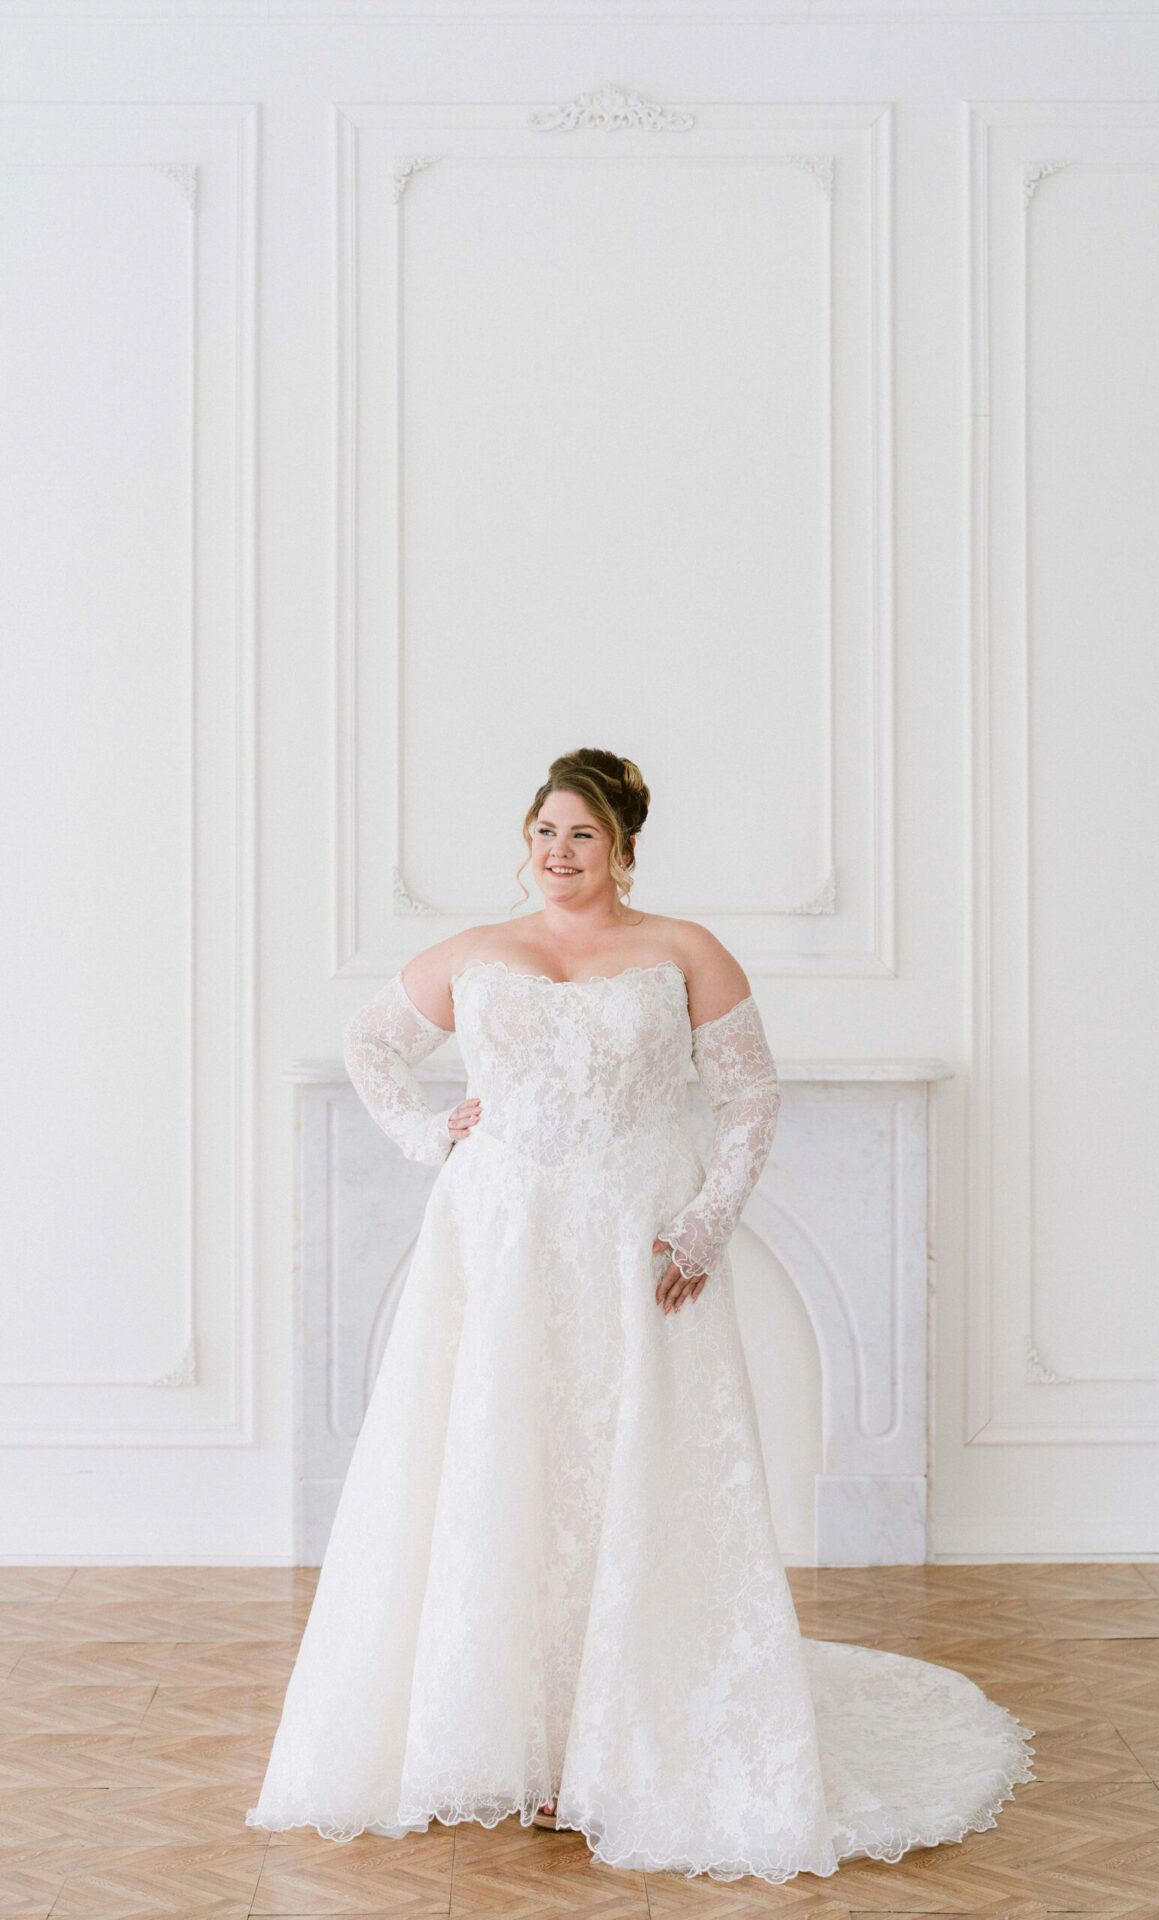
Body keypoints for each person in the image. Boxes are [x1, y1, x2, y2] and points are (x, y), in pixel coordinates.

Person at [246, 747, 1033, 1883]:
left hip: (633, 1247)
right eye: (541, 832)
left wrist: (705, 1222)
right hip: (499, 1247)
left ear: (620, 847)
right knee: (497, 1467)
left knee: (625, 1471)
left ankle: (623, 1734)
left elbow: (750, 1095)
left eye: (579, 835)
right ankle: (500, 1732)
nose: (555, 854)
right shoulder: (476, 952)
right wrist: (431, 1135)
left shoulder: (680, 952)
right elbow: (370, 1044)